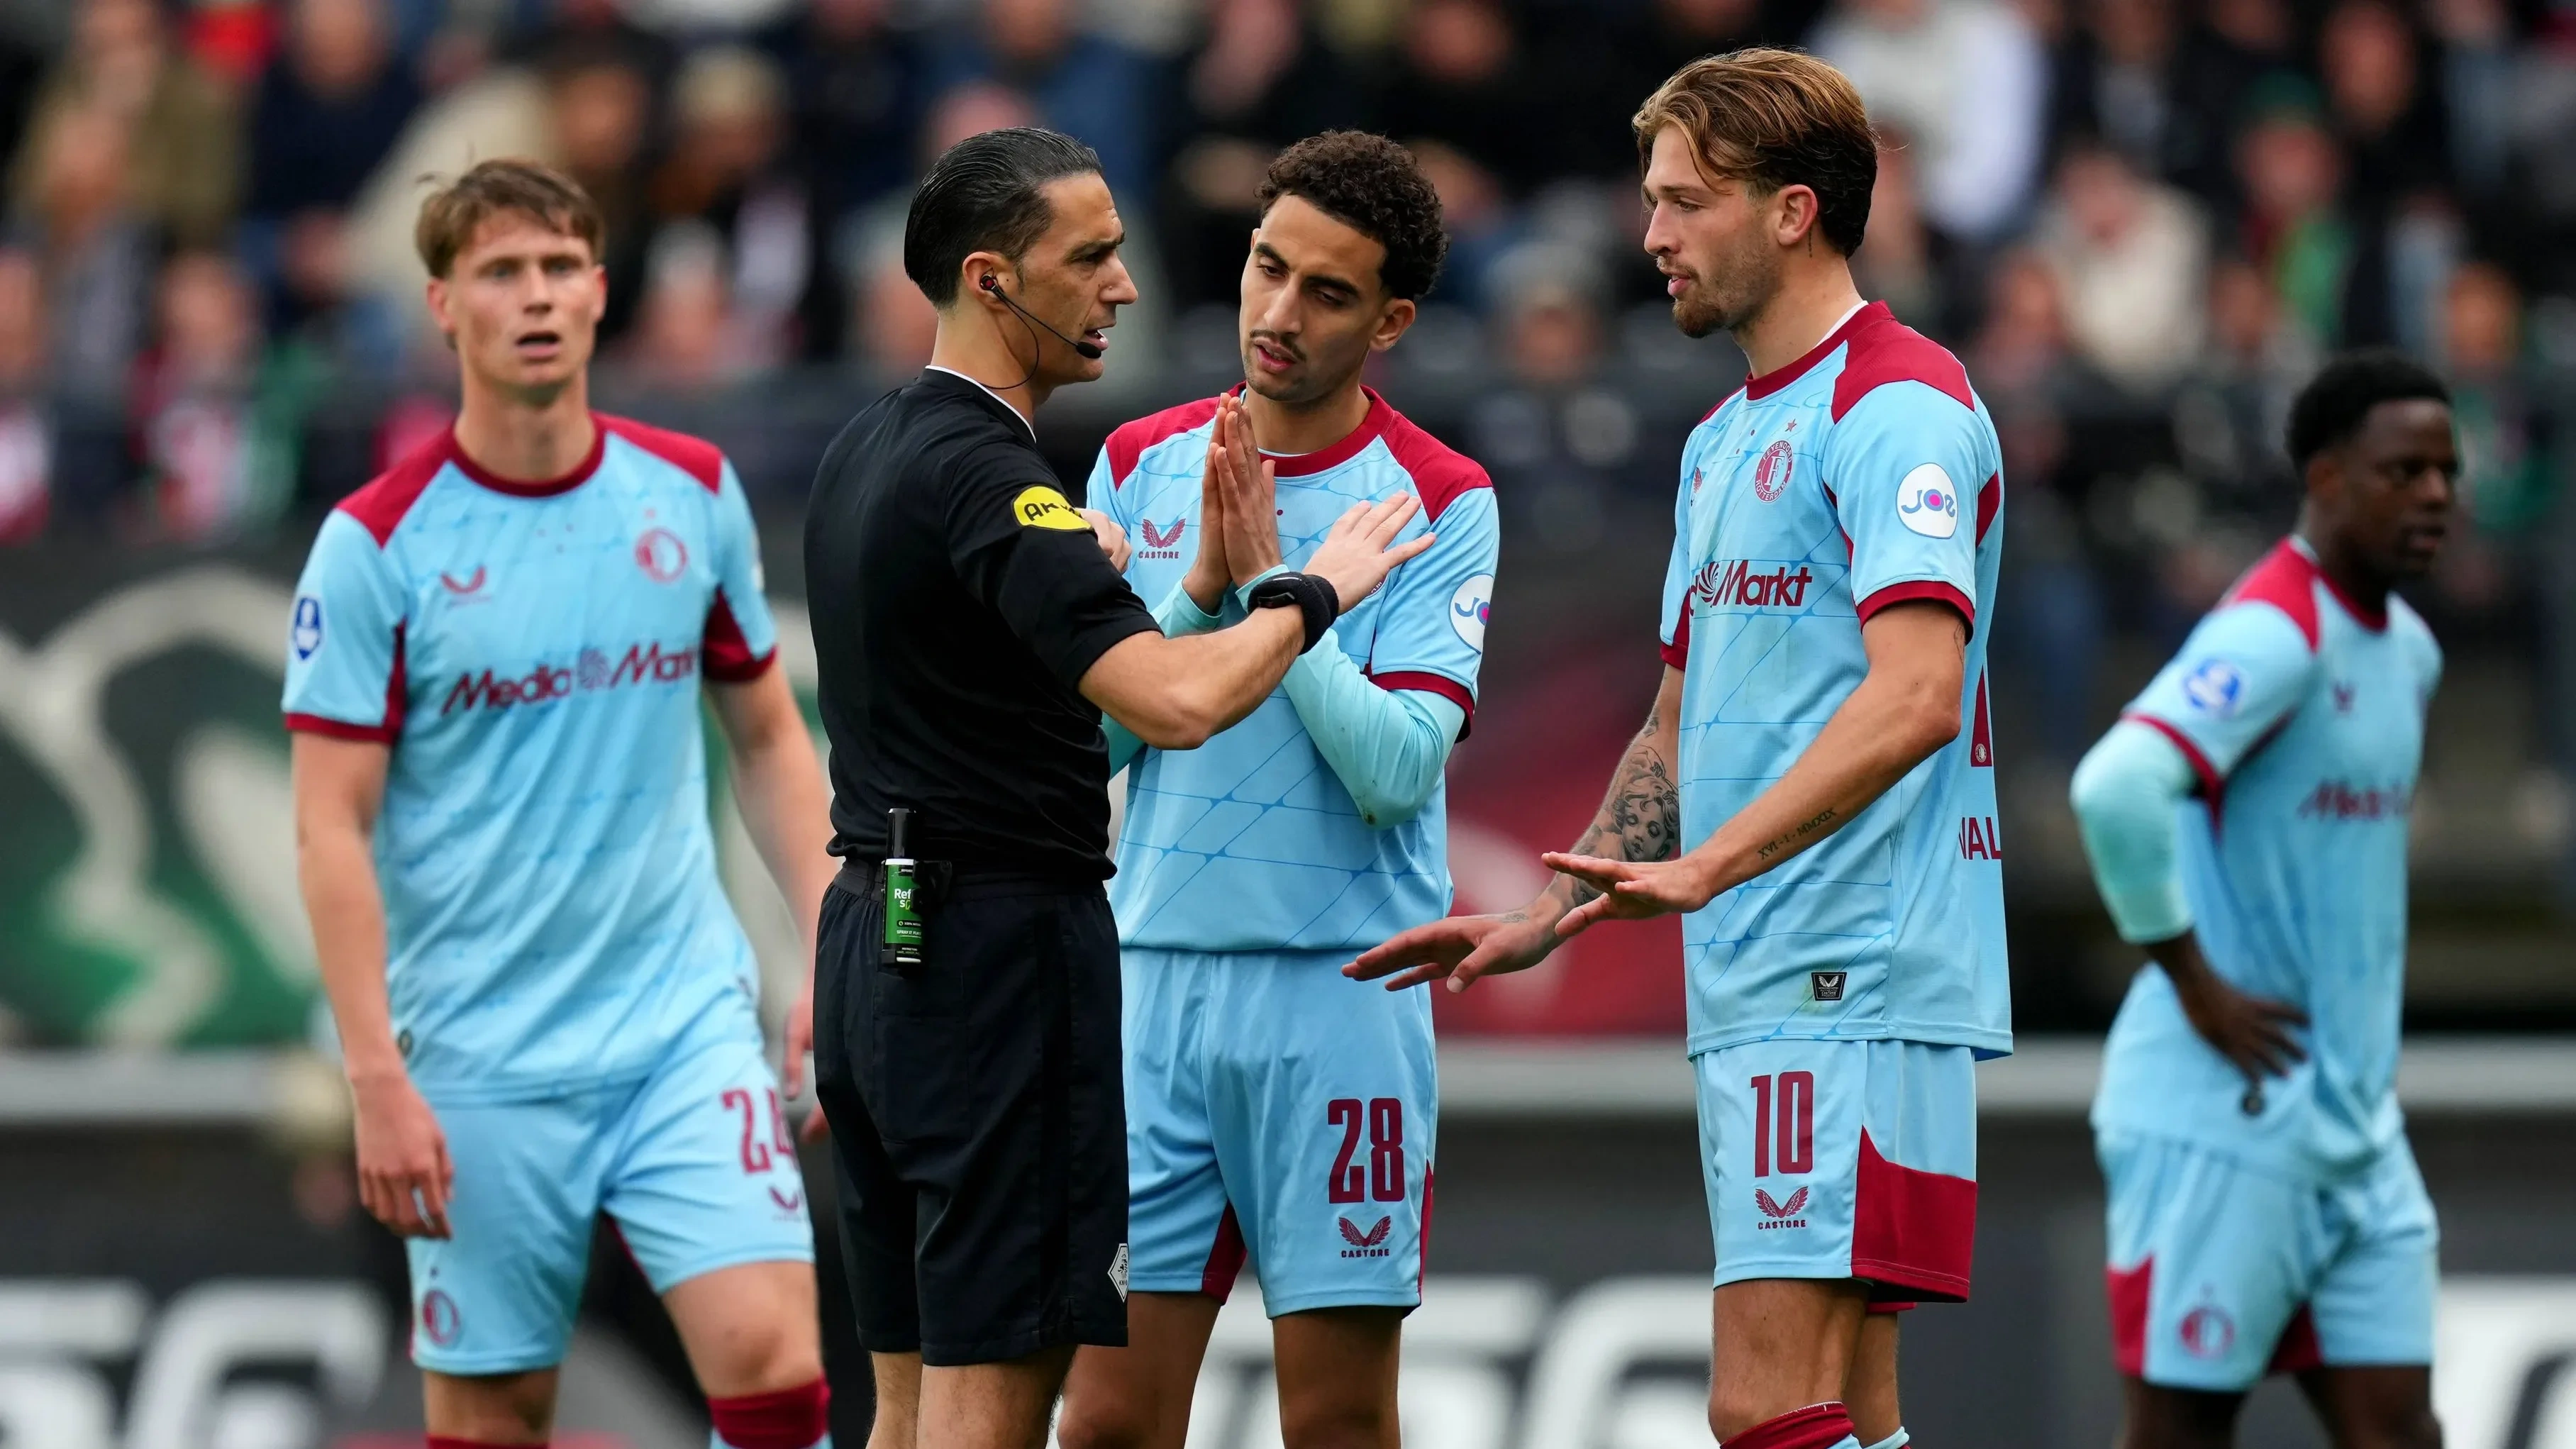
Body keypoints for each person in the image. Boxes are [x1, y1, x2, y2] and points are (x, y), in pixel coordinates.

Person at [1350, 50, 2011, 1449]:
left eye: (1683, 200)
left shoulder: (1898, 407)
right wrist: (1554, 911)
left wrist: (1711, 865)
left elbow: (1916, 697)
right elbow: (1672, 720)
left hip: (1849, 963)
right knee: (1846, 1402)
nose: (1649, 234)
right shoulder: (1721, 438)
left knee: (1759, 1402)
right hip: (1779, 965)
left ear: (1790, 211)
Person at [799, 126, 1435, 1449]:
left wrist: (1185, 584)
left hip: (874, 933)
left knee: (905, 1404)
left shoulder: (866, 447)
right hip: (993, 957)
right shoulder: (1004, 479)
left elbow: (1037, 707)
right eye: (1090, 257)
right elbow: (1177, 702)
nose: (1124, 287)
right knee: (996, 1398)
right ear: (990, 280)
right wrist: (1303, 589)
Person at [284, 158, 838, 1449]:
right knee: (495, 1418)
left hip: (681, 1029)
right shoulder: (376, 546)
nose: (532, 296)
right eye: (498, 271)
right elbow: (327, 828)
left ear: (597, 293)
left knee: (771, 1355)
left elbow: (766, 736)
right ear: (444, 305)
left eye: (554, 268)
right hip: (475, 1053)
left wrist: (829, 944)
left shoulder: (691, 494)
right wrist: (374, 1075)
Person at [1053, 131, 1497, 1449]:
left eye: (1329, 292)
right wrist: (1203, 592)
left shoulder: (1439, 498)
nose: (1278, 314)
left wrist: (1272, 598)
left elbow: (1398, 769)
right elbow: (1091, 758)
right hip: (1153, 993)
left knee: (1341, 1423)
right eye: (1265, 268)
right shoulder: (1135, 458)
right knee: (1110, 1423)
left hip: (1342, 999)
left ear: (1394, 319)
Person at [2068, 352, 2455, 1449]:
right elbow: (2117, 785)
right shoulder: (2273, 631)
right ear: (2326, 478)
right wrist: (2194, 982)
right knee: (2184, 1431)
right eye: (2403, 471)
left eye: (2447, 472)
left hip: (2352, 1122)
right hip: (2223, 1109)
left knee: (2400, 1429)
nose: (2434, 495)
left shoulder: (2410, 653)